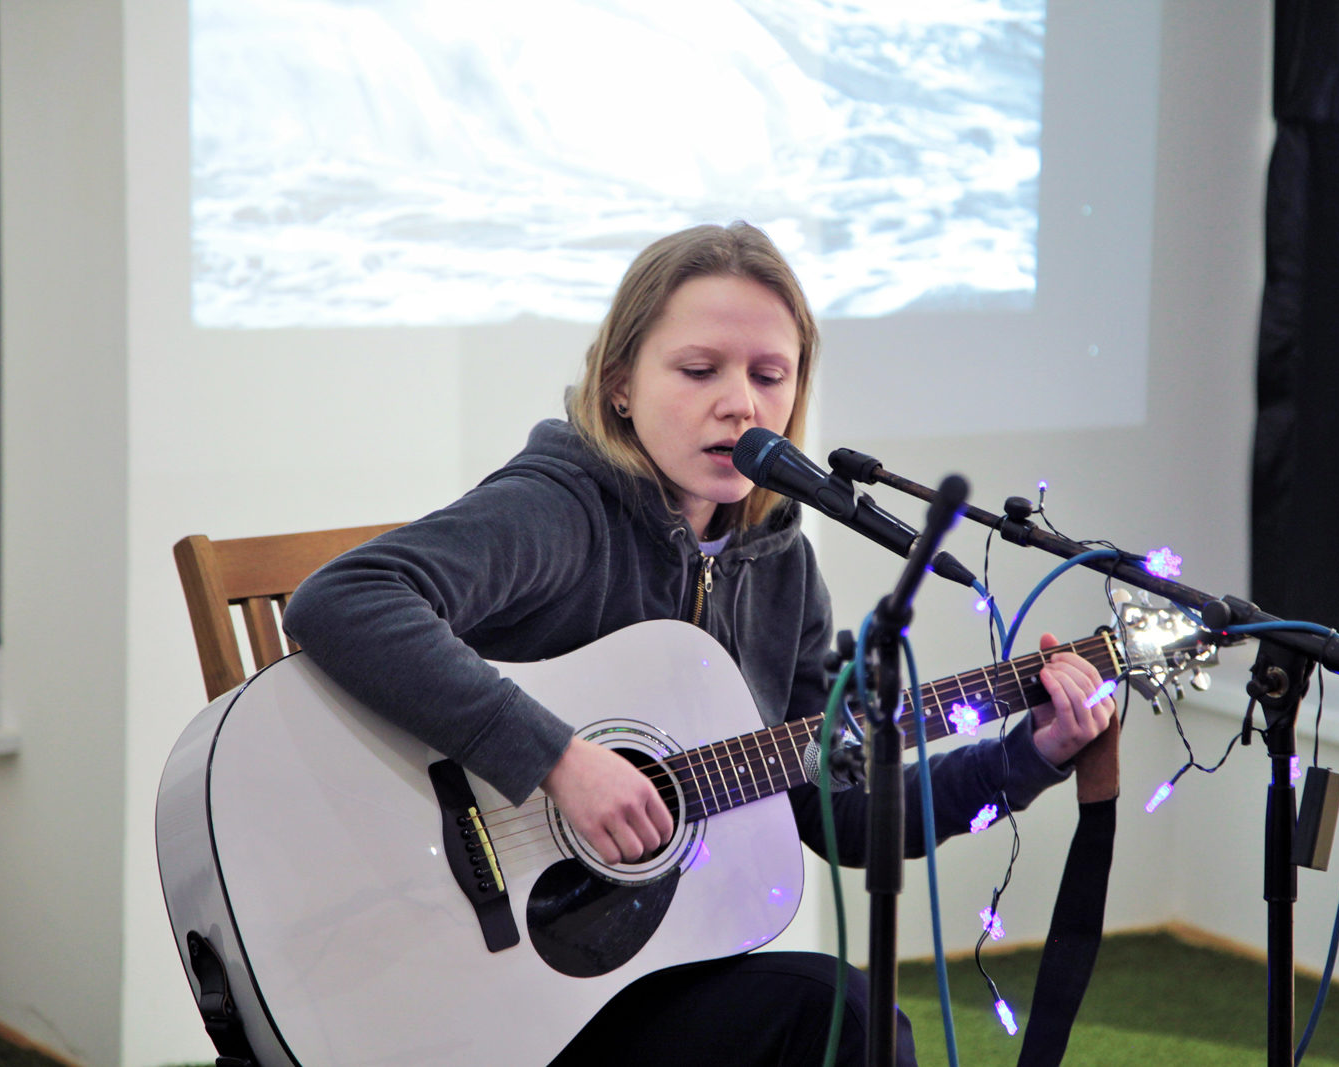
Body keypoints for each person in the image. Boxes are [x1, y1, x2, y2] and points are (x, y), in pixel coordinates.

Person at [281, 221, 1115, 1066]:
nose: (740, 403)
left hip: (632, 978)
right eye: (699, 370)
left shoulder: (782, 560)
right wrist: (559, 759)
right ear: (619, 384)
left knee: (849, 1020)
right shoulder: (560, 510)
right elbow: (343, 597)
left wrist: (1032, 753)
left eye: (769, 376)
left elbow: (846, 811)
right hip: (470, 984)